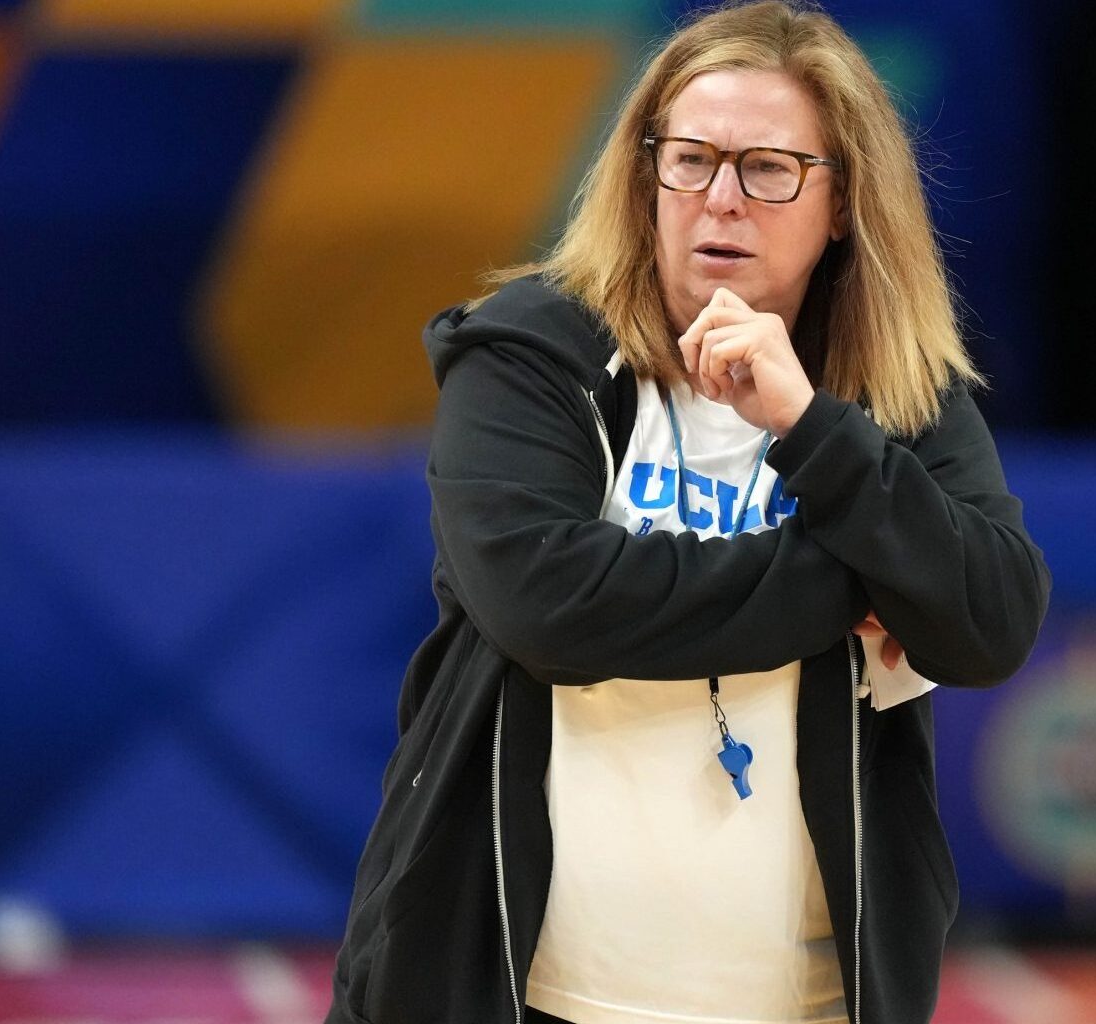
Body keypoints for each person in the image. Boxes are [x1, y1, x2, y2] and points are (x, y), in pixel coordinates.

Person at [325, 3, 1050, 1022]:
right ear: (645, 174)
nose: (721, 200)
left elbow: (992, 619)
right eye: (691, 160)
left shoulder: (896, 396)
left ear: (841, 201)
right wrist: (859, 580)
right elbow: (552, 607)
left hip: (807, 1002)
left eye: (768, 169)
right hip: (522, 993)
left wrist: (811, 426)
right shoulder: (529, 357)